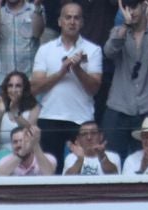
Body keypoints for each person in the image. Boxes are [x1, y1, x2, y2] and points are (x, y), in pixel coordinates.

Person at [31, 2, 103, 168]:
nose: (72, 22)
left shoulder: (94, 50)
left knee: (85, 168)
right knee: (50, 171)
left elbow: (94, 88)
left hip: (81, 119)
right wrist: (61, 72)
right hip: (50, 117)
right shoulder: (45, 49)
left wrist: (77, 69)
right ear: (59, 21)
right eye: (68, 17)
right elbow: (35, 88)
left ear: (82, 22)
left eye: (76, 18)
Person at [102, 0, 148, 160]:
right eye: (126, 7)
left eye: (134, 6)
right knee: (111, 160)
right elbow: (109, 51)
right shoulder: (118, 31)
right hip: (119, 106)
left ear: (144, 5)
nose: (130, 11)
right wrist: (125, 26)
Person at [0, 0, 44, 91]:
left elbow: (37, 33)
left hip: (28, 80)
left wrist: (37, 7)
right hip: (2, 81)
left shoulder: (35, 9)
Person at [0, 69, 40, 150]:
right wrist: (0, 115)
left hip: (26, 153)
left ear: (24, 89)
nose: (13, 90)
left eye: (18, 86)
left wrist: (15, 113)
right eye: (10, 86)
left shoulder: (34, 107)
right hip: (3, 155)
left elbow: (31, 135)